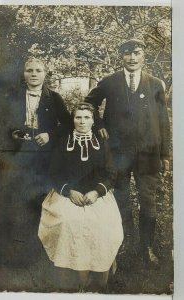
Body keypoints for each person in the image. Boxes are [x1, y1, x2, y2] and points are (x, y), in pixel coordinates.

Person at [85, 38, 170, 265]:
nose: (132, 58)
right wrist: (100, 125)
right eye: (127, 53)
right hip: (118, 152)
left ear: (144, 56)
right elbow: (89, 103)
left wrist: (165, 154)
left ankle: (145, 248)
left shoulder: (155, 84)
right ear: (120, 57)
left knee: (148, 200)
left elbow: (163, 120)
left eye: (137, 53)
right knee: (121, 198)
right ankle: (123, 243)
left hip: (149, 152)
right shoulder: (109, 82)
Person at [0, 57, 71, 291]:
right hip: (18, 157)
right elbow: (1, 123)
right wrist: (14, 132)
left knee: (40, 201)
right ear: (24, 74)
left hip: (44, 159)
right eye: (29, 70)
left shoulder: (54, 98)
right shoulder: (13, 95)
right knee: (17, 201)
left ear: (45, 74)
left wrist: (49, 134)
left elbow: (67, 125)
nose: (34, 74)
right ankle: (18, 253)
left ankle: (42, 251)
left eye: (38, 70)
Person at [38, 102, 124, 292]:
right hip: (67, 195)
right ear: (73, 119)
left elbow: (111, 173)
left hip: (96, 196)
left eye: (86, 117)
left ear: (93, 121)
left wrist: (97, 192)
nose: (82, 121)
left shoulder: (101, 142)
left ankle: (97, 278)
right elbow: (53, 173)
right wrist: (69, 191)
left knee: (101, 225)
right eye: (78, 117)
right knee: (69, 222)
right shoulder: (64, 142)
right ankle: (71, 279)